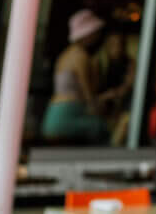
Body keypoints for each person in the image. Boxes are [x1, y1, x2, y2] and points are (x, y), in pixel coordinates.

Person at [42, 10, 118, 144]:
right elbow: (88, 96)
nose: (98, 36)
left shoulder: (66, 55)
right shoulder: (81, 57)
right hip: (68, 115)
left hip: (52, 115)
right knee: (104, 129)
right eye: (96, 32)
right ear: (88, 34)